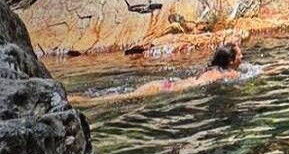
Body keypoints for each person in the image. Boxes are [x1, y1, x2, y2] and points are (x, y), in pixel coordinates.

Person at [70, 43, 245, 104]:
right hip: (164, 90)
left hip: (164, 84)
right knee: (117, 98)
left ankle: (78, 98)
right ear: (231, 61)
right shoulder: (228, 75)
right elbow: (255, 73)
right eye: (240, 54)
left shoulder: (212, 70)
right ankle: (81, 100)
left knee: (122, 94)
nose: (242, 56)